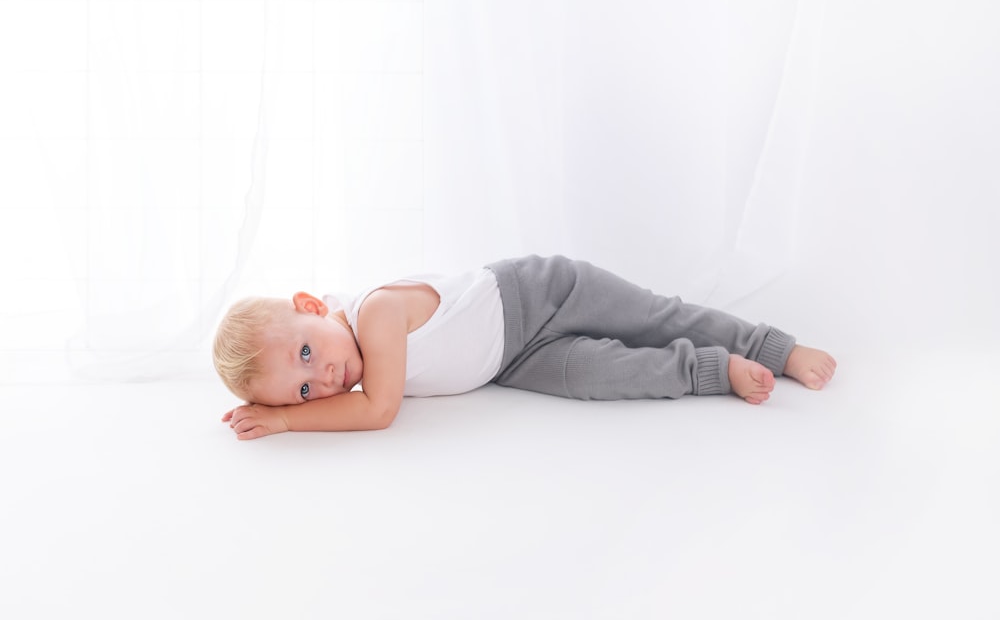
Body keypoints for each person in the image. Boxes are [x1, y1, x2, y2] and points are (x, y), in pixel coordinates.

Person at [214, 254, 836, 440]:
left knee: (652, 316)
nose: (322, 377)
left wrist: (285, 420)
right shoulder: (342, 358)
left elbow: (378, 411)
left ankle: (775, 348)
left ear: (312, 306)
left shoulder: (373, 313)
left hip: (541, 296)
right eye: (303, 390)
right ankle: (713, 371)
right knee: (606, 375)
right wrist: (284, 405)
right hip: (511, 363)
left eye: (304, 354)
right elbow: (352, 396)